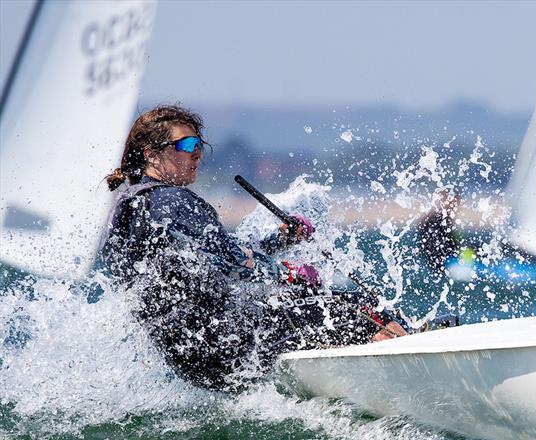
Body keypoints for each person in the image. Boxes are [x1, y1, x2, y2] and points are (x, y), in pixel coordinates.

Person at [100, 105, 406, 391]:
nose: (197, 155)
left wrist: (279, 241)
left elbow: (214, 258)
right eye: (187, 146)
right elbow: (232, 262)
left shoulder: (128, 207)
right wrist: (286, 273)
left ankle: (342, 369)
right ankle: (409, 360)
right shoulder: (173, 200)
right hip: (231, 340)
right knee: (364, 305)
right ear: (152, 154)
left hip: (190, 359)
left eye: (199, 146)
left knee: (300, 310)